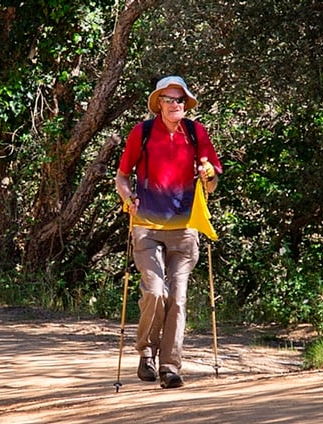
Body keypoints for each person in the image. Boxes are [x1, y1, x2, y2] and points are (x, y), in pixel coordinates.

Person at [114, 75, 222, 389]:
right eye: (169, 99)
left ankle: (169, 367)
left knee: (178, 297)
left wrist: (208, 174)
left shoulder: (195, 132)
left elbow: (212, 181)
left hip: (185, 227)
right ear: (158, 103)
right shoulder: (143, 132)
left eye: (180, 100)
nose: (175, 105)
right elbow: (122, 177)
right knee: (154, 291)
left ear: (186, 103)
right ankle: (146, 350)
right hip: (146, 225)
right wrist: (127, 197)